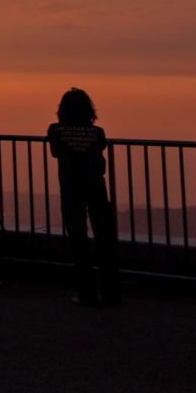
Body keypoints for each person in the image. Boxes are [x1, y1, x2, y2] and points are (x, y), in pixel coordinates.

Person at [47, 88, 119, 307]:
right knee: (104, 238)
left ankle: (87, 290)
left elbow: (56, 152)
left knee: (79, 239)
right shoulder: (97, 132)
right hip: (97, 187)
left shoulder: (56, 130)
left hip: (70, 188)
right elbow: (99, 150)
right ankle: (109, 292)